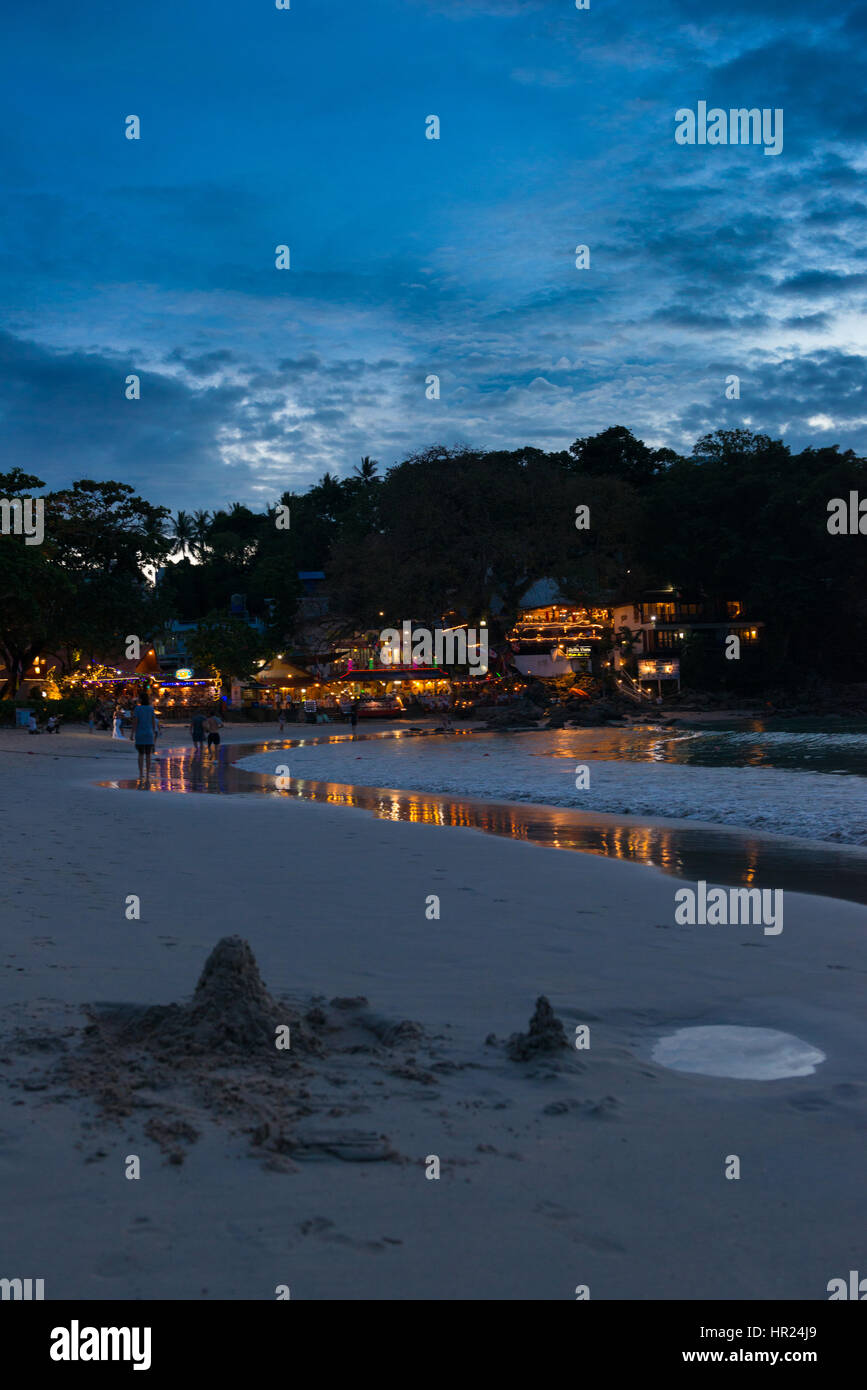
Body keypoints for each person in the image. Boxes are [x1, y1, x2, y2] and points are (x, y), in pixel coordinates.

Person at [130, 691, 159, 785]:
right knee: (148, 755)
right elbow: (153, 722)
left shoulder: (137, 709)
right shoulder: (151, 709)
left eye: (139, 698)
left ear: (141, 699)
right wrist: (154, 732)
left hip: (140, 734)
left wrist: (132, 733)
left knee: (141, 754)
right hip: (149, 734)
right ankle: (147, 774)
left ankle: (141, 773)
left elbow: (135, 722)